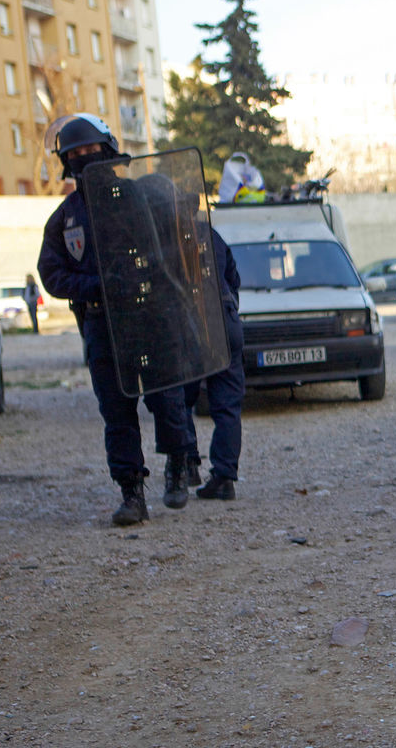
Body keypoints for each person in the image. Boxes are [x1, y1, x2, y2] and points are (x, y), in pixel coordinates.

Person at [36, 113, 196, 526]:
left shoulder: (138, 197)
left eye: (92, 150)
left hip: (150, 317)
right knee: (117, 413)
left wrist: (148, 280)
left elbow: (172, 247)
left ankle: (178, 465)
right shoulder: (66, 218)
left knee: (166, 399)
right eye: (76, 154)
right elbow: (51, 274)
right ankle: (132, 493)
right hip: (102, 324)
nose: (85, 158)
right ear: (66, 162)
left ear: (108, 151)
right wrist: (98, 285)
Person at [182, 227, 244, 500]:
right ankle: (224, 478)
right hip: (225, 319)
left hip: (192, 323)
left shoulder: (168, 234)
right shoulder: (210, 234)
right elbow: (234, 277)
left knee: (179, 398)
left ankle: (187, 465)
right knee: (227, 405)